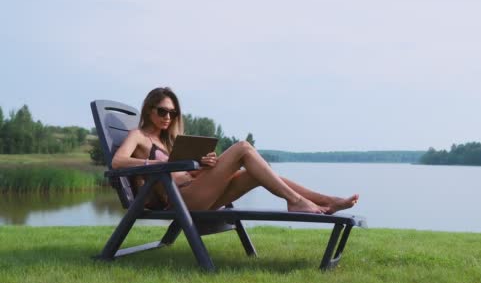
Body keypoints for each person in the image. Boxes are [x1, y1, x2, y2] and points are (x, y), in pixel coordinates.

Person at [112, 87, 359, 214]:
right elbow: (118, 162)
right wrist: (156, 165)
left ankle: (328, 201)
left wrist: (202, 164)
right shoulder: (139, 136)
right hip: (179, 202)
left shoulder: (169, 142)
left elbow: (182, 172)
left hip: (196, 191)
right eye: (162, 111)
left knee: (255, 173)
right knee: (243, 147)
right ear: (148, 110)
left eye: (172, 112)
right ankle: (295, 201)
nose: (168, 117)